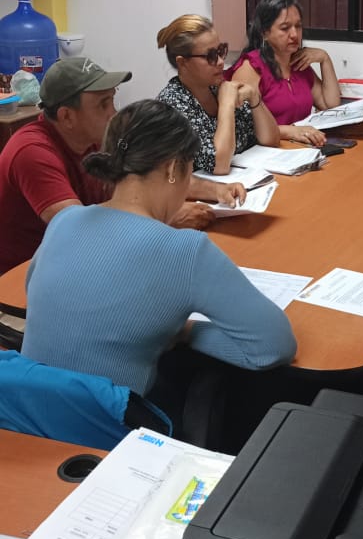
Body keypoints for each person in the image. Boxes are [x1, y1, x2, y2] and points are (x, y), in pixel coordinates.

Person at [22, 100, 297, 407]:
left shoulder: (64, 220)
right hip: (106, 427)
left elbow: (35, 292)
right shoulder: (185, 251)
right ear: (171, 169)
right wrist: (185, 332)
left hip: (24, 413)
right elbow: (274, 346)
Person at [0, 56, 131, 275]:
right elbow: (77, 230)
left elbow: (144, 177)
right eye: (103, 104)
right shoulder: (31, 152)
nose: (114, 114)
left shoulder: (94, 139)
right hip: (22, 280)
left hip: (70, 263)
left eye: (112, 100)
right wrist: (155, 210)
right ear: (67, 116)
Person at [157, 14, 280, 174]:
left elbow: (270, 140)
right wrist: (226, 105)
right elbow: (219, 164)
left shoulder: (217, 87)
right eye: (211, 56)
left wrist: (254, 97)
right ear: (182, 63)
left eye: (221, 51)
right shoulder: (171, 106)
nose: (221, 61)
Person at [227, 0, 341, 148]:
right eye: (285, 28)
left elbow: (330, 106)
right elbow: (244, 129)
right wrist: (289, 131)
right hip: (267, 152)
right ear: (265, 33)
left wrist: (325, 59)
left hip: (301, 149)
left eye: (298, 26)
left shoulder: (299, 63)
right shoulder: (251, 68)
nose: (294, 34)